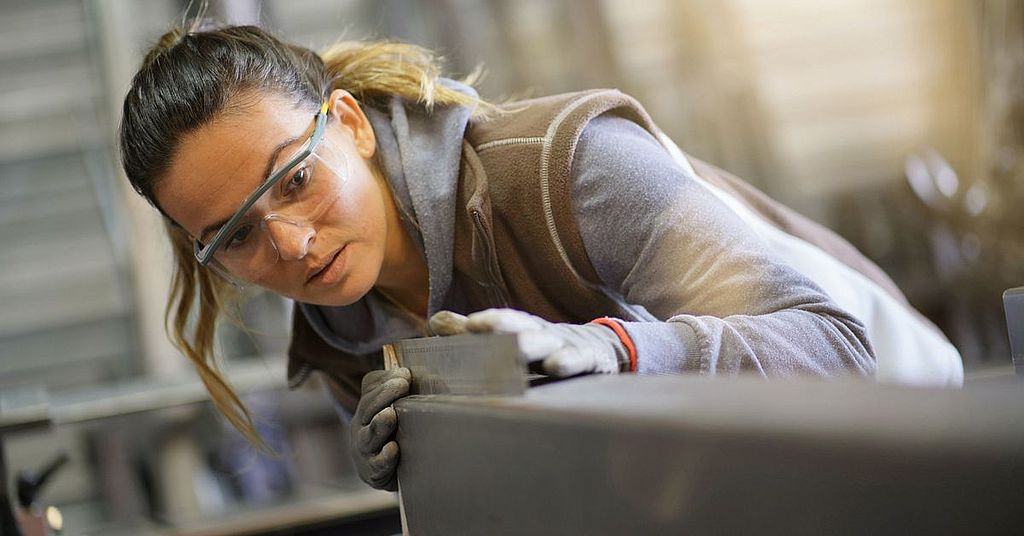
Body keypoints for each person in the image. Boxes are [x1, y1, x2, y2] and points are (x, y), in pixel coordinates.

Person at [118, 22, 963, 492]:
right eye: (236, 238)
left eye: (296, 179)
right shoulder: (343, 320)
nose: (290, 244)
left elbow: (831, 341)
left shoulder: (568, 168)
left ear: (347, 122)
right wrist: (420, 464)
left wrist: (617, 350)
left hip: (917, 441)